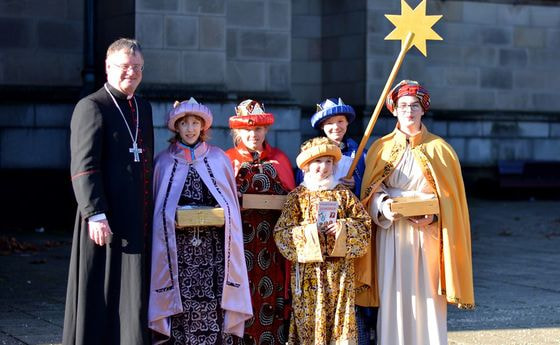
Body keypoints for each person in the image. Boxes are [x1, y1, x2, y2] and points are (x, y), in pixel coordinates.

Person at [359, 80, 475, 345]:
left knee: (427, 297)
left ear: (423, 110)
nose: (408, 111)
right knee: (394, 294)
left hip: (428, 236)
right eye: (403, 106)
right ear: (394, 110)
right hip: (392, 234)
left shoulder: (441, 149)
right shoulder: (381, 148)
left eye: (414, 106)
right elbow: (370, 194)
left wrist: (433, 216)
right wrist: (384, 205)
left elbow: (453, 201)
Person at [63, 38, 153, 345]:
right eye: (125, 66)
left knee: (132, 290)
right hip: (105, 216)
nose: (132, 73)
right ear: (108, 66)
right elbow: (83, 165)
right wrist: (95, 212)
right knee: (101, 289)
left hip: (136, 215)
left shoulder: (143, 106)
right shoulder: (91, 106)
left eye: (138, 67)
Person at [149, 98, 252, 344]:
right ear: (176, 127)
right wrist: (172, 216)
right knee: (183, 298)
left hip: (213, 248)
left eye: (195, 123)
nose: (190, 129)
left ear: (203, 127)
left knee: (214, 296)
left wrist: (219, 213)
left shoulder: (218, 159)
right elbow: (158, 209)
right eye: (184, 124)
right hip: (179, 251)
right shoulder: (163, 161)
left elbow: (229, 204)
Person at [274, 137, 372, 344]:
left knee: (340, 323)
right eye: (318, 162)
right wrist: (311, 232)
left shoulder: (344, 195)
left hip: (340, 274)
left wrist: (342, 228)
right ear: (307, 166)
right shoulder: (297, 197)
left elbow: (364, 226)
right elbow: (282, 233)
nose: (324, 167)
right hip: (309, 275)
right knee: (310, 323)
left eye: (328, 161)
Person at [225, 99, 296, 344]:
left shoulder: (280, 160)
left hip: (271, 251)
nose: (253, 134)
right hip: (238, 249)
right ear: (237, 132)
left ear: (266, 130)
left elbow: (294, 201)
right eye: (247, 129)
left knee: (270, 306)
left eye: (258, 129)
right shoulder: (227, 160)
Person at [296, 98, 366, 197]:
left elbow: (370, 183)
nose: (336, 127)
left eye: (340, 121)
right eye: (329, 123)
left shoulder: (360, 154)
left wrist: (357, 183)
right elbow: (301, 183)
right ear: (322, 126)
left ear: (347, 122)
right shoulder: (311, 152)